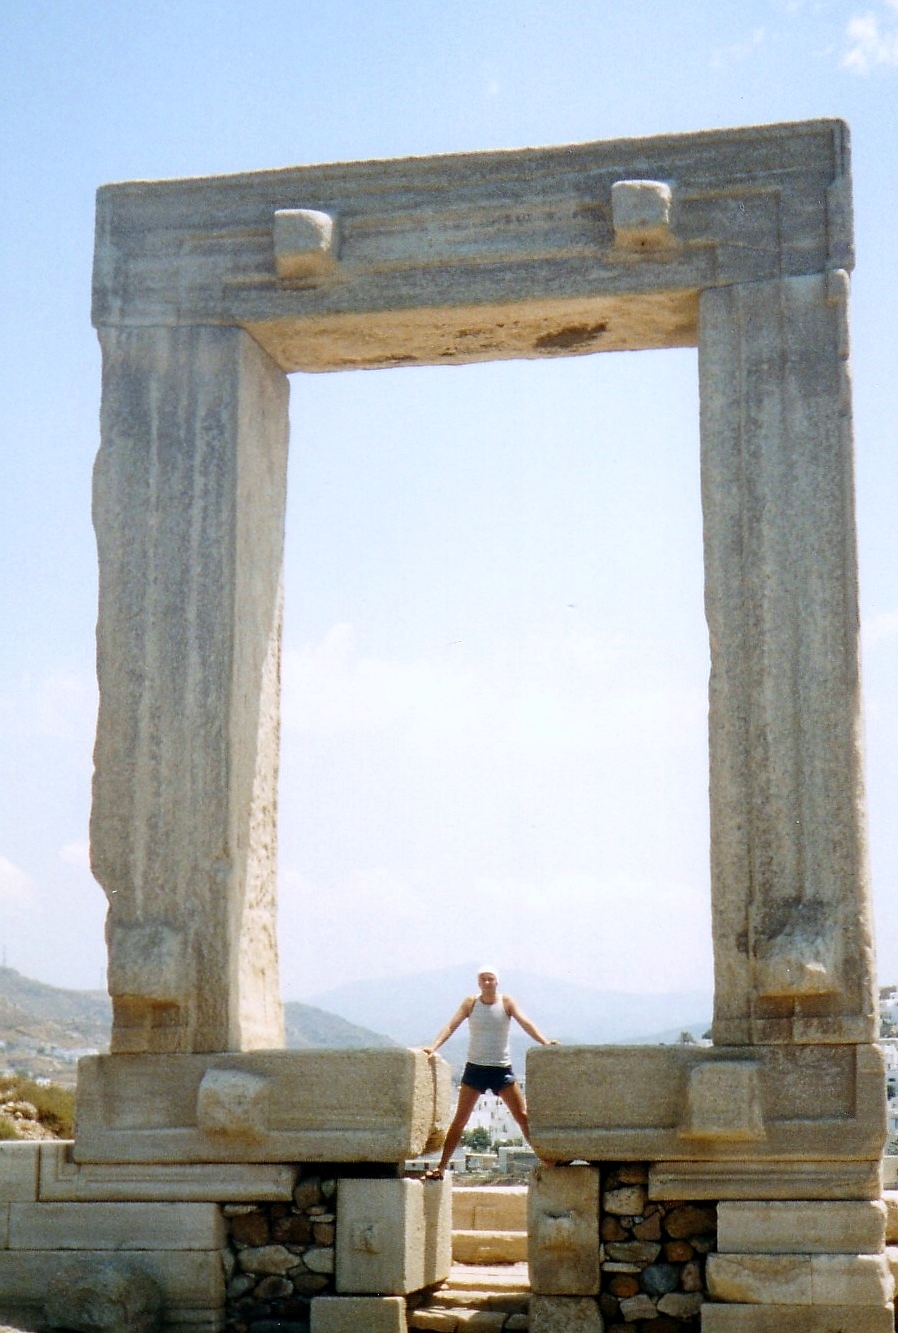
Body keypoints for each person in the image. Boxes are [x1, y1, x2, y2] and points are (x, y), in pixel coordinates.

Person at [422, 966, 556, 1178]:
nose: (487, 982)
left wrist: (545, 1042)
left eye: (490, 979)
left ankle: (546, 1159)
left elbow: (525, 1023)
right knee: (460, 1119)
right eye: (483, 979)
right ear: (478, 983)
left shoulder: (506, 1002)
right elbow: (451, 1026)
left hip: (501, 1068)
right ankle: (441, 1166)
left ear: (497, 982)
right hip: (475, 1068)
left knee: (522, 1116)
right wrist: (434, 1047)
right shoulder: (470, 1003)